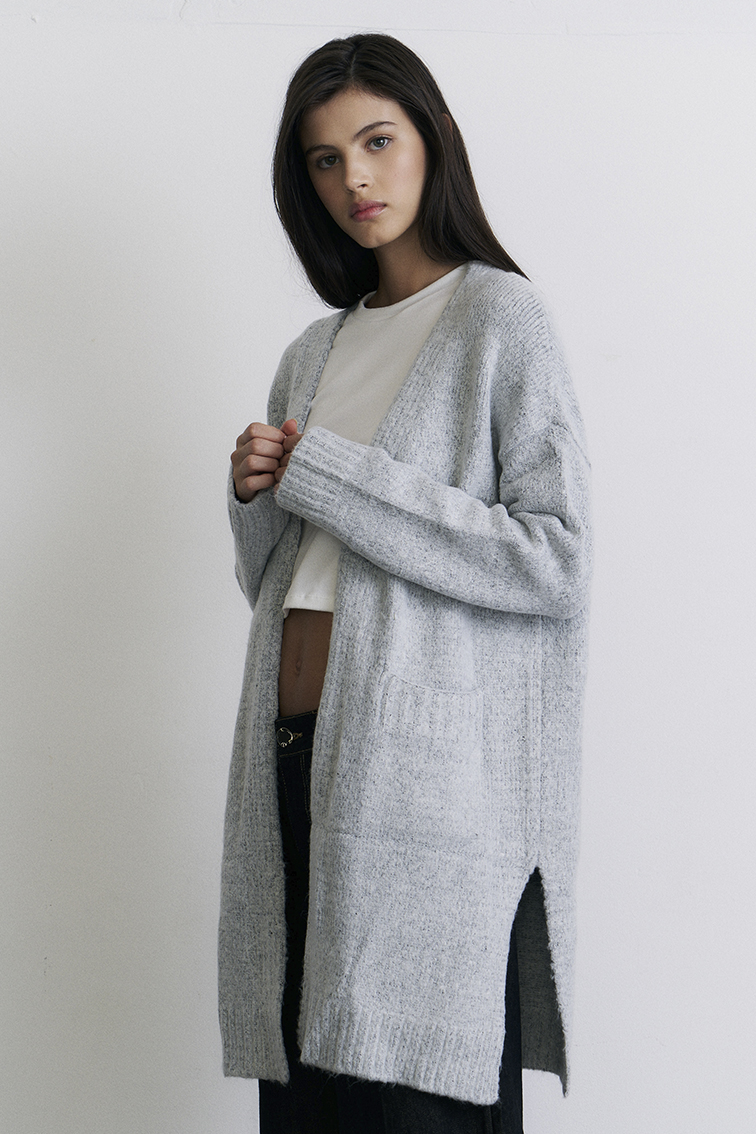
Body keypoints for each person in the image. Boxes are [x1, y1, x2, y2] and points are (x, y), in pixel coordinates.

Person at [220, 33, 591, 1134]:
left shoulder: (499, 320)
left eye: (378, 142)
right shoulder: (313, 352)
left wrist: (335, 478)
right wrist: (255, 498)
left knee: (410, 1104)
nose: (357, 180)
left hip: (420, 791)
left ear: (432, 141)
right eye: (326, 159)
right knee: (308, 1106)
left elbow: (555, 557)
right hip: (288, 767)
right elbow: (280, 583)